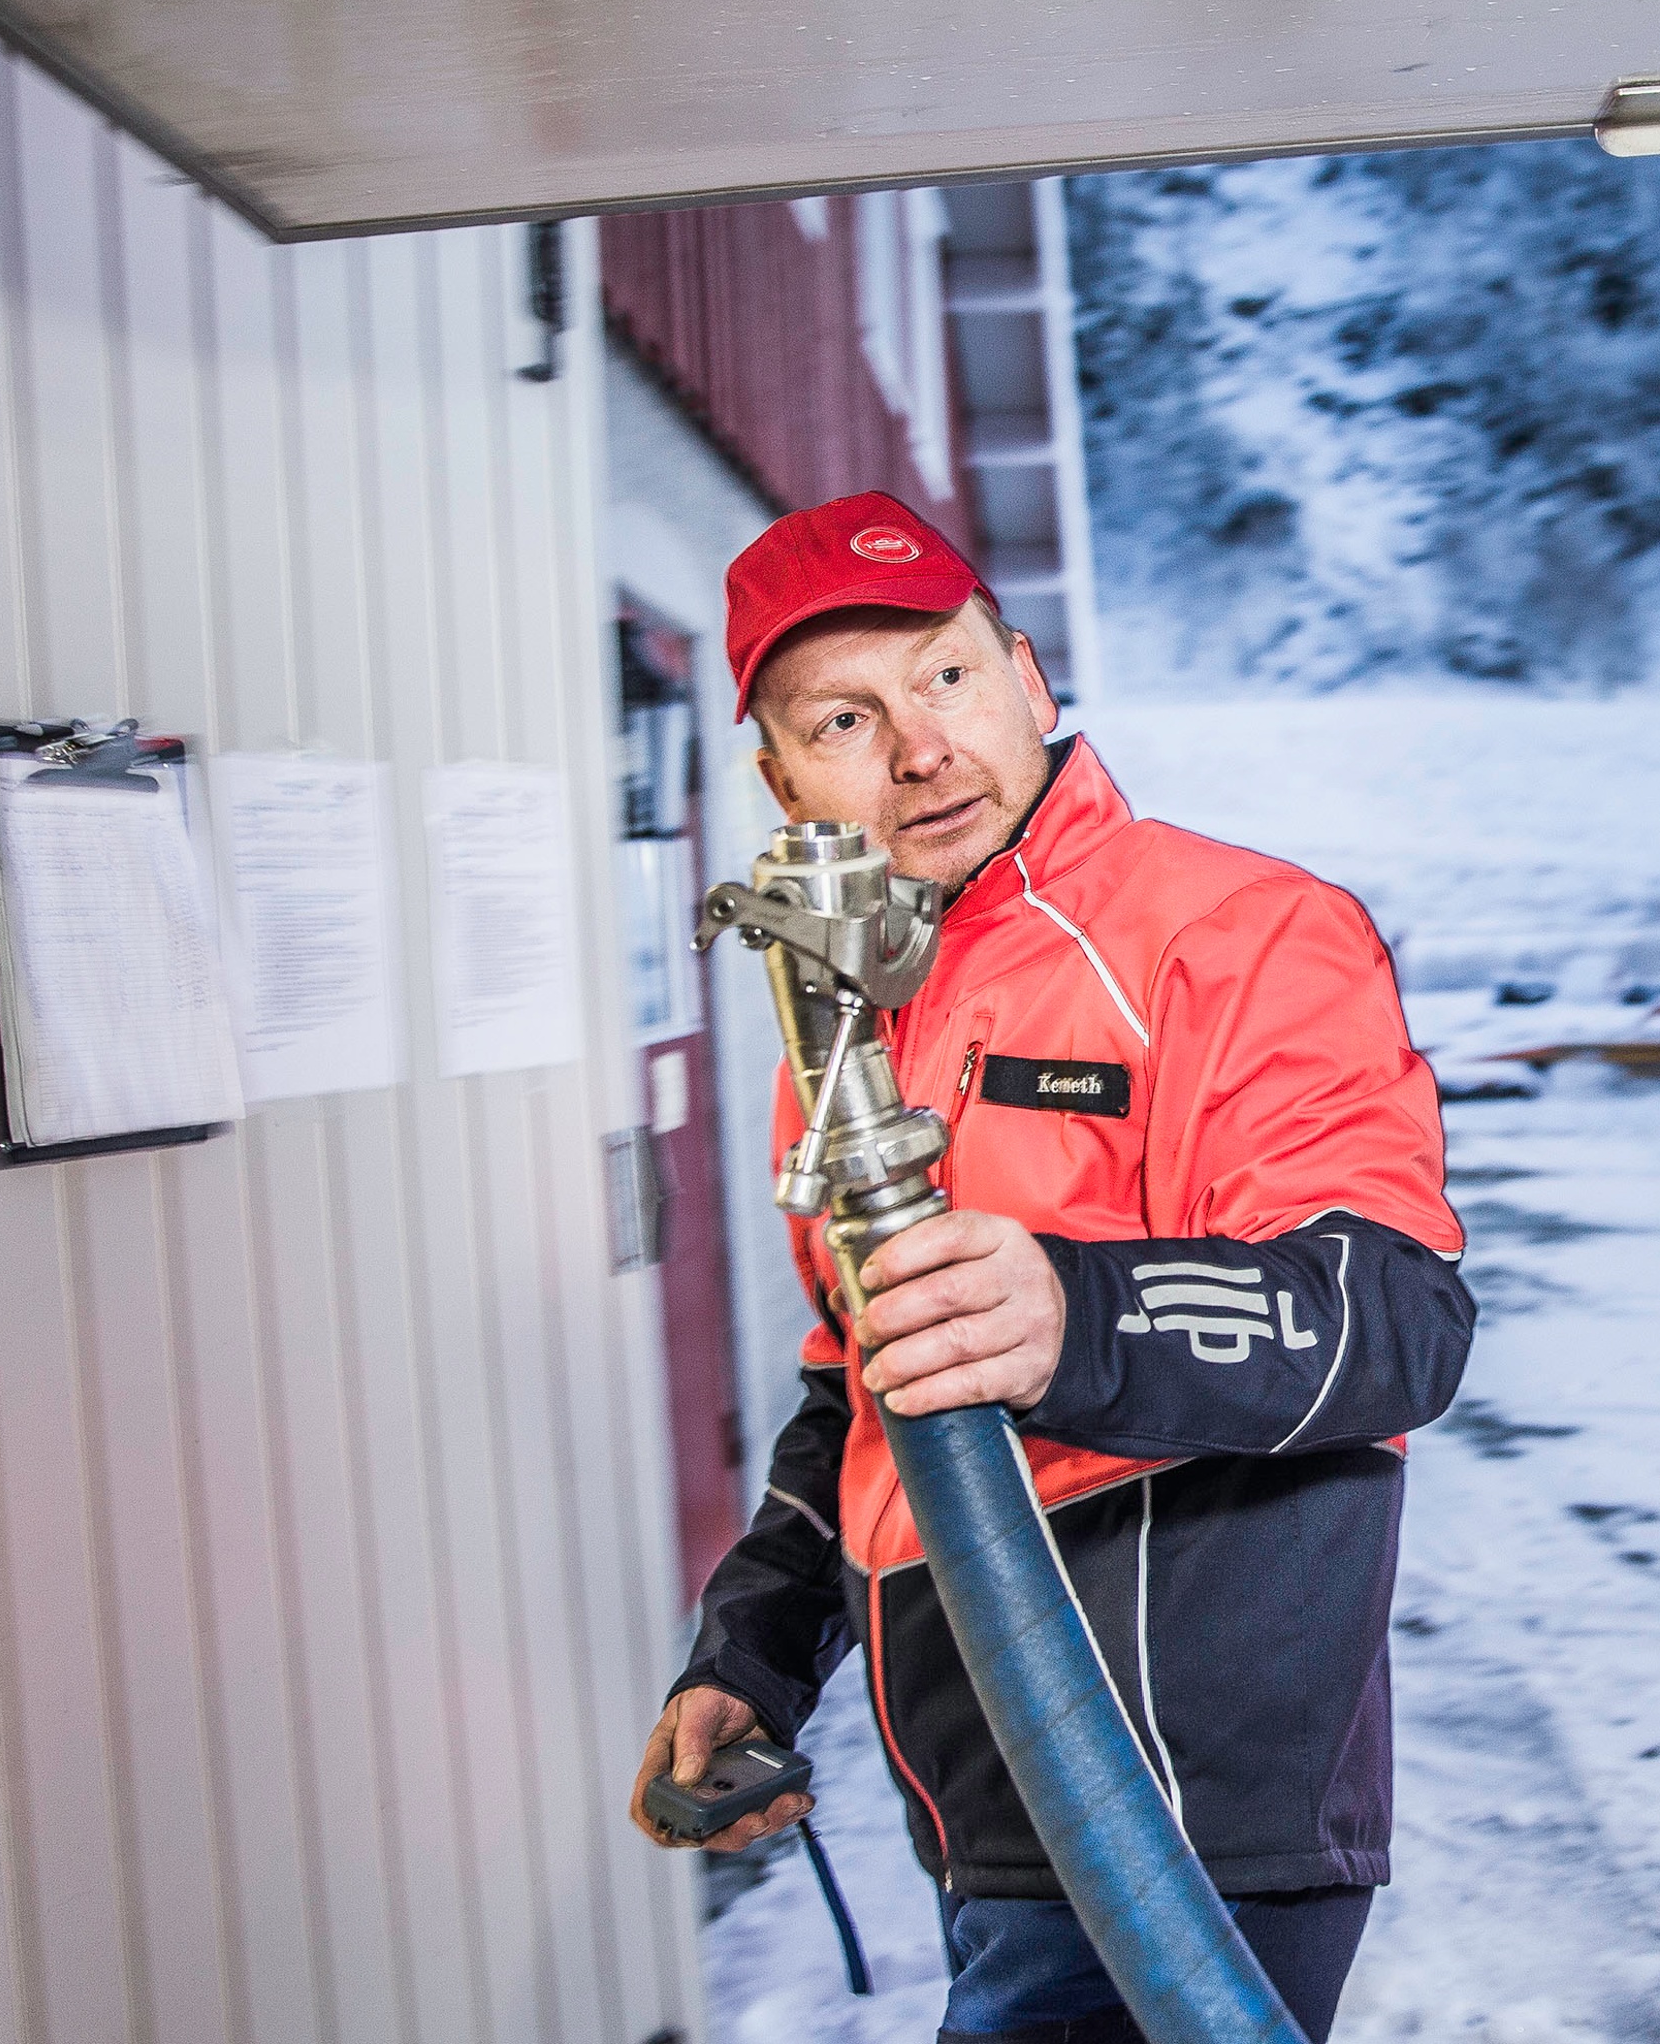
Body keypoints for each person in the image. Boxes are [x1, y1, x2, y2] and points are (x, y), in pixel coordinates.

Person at [626, 490, 1475, 2044]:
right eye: (843, 716)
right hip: (983, 1810)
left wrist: (1074, 1310)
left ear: (1025, 674)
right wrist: (755, 1643)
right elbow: (862, 1379)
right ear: (781, 779)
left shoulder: (1233, 931)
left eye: (945, 678)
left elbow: (1394, 1315)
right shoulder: (852, 1018)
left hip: (1178, 1822)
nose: (921, 745)